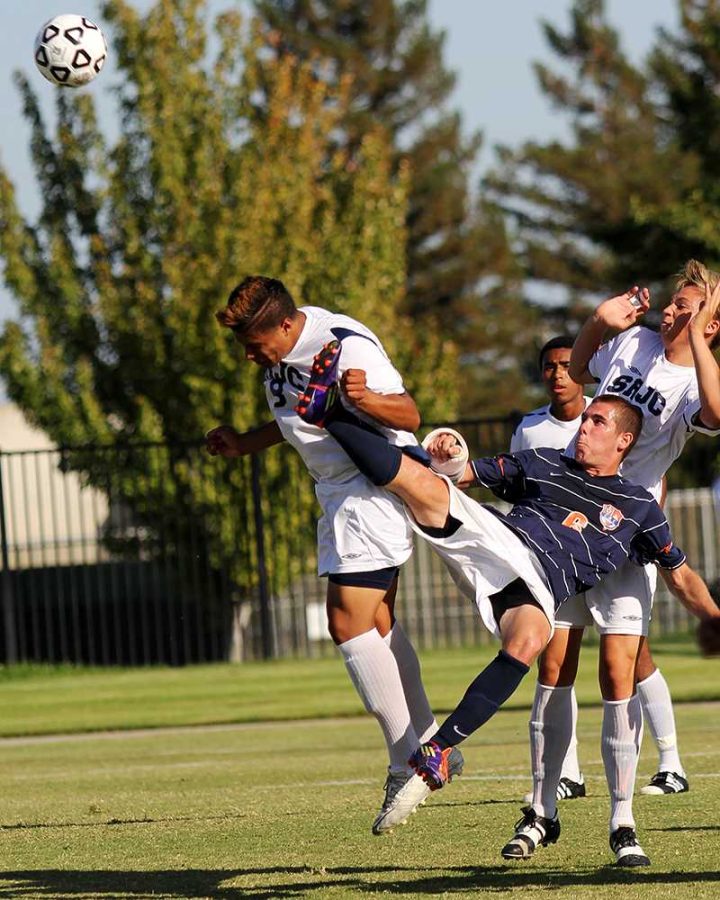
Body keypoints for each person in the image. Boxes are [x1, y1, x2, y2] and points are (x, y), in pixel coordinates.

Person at [294, 354, 720, 863]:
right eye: (584, 419)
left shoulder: (637, 507)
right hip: (498, 540)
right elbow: (464, 472)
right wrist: (449, 454)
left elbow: (681, 575)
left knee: (528, 640)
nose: (583, 427)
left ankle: (436, 753)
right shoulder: (542, 463)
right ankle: (329, 415)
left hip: (540, 588)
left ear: (624, 442)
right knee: (424, 486)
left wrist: (715, 618)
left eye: (596, 422)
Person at [206, 276, 462, 836]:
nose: (251, 358)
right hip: (336, 495)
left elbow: (410, 414)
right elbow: (300, 416)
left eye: (255, 344)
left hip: (369, 490)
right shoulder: (285, 351)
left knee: (345, 625)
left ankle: (406, 763)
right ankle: (432, 743)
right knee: (379, 626)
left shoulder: (346, 345)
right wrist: (246, 442)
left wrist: (365, 398)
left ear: (284, 324)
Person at [516, 260, 720, 866]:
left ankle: (623, 821)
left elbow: (716, 412)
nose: (673, 308)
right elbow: (578, 372)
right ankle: (540, 809)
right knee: (553, 662)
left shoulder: (694, 379)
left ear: (711, 322)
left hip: (628, 532)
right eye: (677, 300)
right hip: (572, 515)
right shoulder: (633, 340)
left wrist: (707, 335)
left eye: (688, 305)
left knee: (617, 672)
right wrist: (596, 323)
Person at [512, 336, 690, 803]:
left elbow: (649, 477)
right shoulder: (530, 428)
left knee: (631, 661)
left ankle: (669, 762)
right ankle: (564, 775)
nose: (558, 373)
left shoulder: (607, 411)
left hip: (617, 551)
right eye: (549, 366)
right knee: (557, 662)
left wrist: (640, 532)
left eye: (567, 364)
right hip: (561, 557)